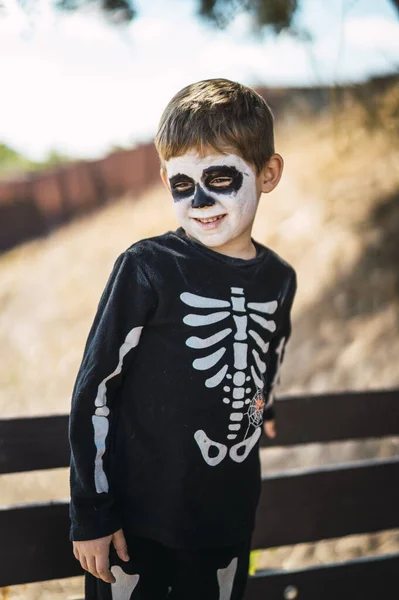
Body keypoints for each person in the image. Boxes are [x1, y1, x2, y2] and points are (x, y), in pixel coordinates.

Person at [69, 78, 297, 600]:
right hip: (136, 527)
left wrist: (265, 406)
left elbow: (269, 358)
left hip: (225, 521)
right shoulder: (147, 268)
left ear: (268, 173)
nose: (200, 200)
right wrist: (92, 513)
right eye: (181, 184)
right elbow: (95, 390)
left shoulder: (278, 279)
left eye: (220, 177)